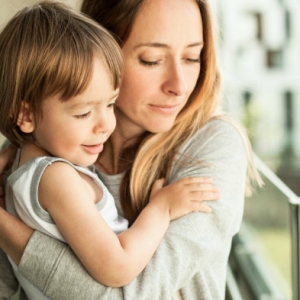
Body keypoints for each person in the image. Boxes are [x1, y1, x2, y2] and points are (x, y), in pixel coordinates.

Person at [0, 0, 262, 299]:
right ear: (101, 52)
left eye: (192, 57)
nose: (179, 85)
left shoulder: (213, 144)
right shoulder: (54, 146)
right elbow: (9, 288)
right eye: (151, 60)